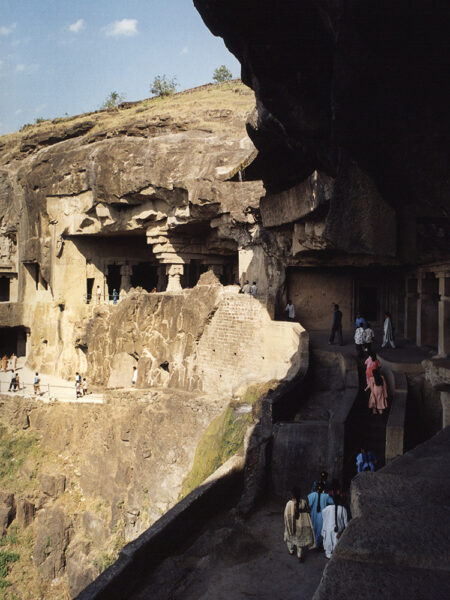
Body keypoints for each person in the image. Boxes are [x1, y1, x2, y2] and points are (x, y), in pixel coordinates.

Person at [283, 488, 315, 561]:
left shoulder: (289, 504)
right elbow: (307, 513)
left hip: (292, 525)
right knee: (299, 541)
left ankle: (291, 550)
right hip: (301, 525)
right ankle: (299, 555)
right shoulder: (303, 502)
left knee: (290, 538)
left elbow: (287, 516)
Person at [321, 489, 348, 559]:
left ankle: (328, 554)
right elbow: (346, 524)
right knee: (336, 543)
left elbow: (323, 515)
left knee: (328, 542)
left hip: (329, 530)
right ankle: (336, 554)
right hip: (338, 532)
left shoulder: (328, 508)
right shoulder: (343, 509)